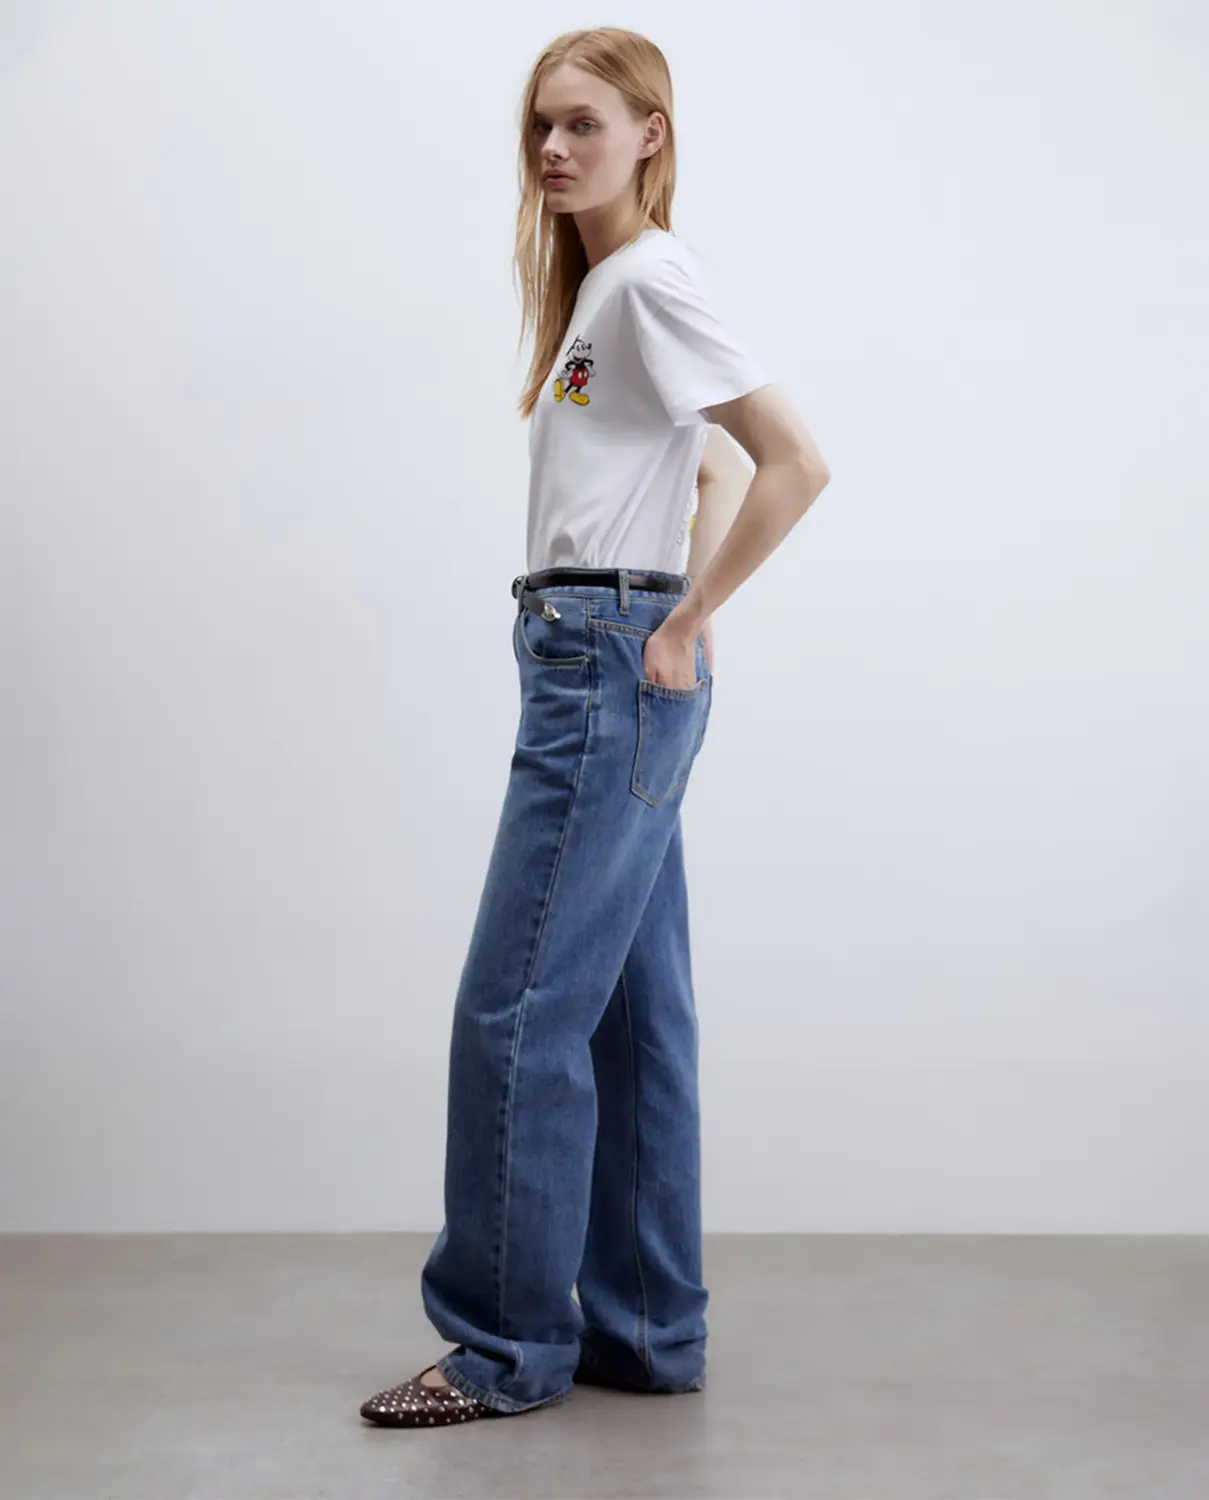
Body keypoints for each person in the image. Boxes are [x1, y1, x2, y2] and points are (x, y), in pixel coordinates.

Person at [359, 25, 830, 1430]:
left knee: (514, 1010)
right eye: (540, 128)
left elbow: (793, 460)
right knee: (631, 1018)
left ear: (650, 135)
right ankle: (646, 1330)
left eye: (583, 124)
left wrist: (682, 620)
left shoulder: (649, 279)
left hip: (604, 665)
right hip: (605, 652)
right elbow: (703, 460)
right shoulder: (610, 293)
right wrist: (675, 600)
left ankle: (503, 1346)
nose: (554, 150)